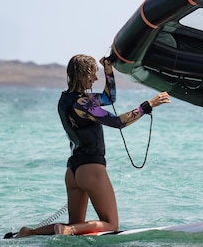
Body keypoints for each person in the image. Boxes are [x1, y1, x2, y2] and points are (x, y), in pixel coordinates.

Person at [15, 54, 170, 237]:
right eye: (93, 74)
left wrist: (108, 71)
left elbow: (109, 97)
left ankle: (30, 232)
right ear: (83, 75)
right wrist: (147, 106)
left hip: (73, 170)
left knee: (76, 223)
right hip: (91, 169)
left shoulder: (66, 100)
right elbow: (118, 122)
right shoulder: (84, 104)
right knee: (111, 224)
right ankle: (67, 230)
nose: (96, 79)